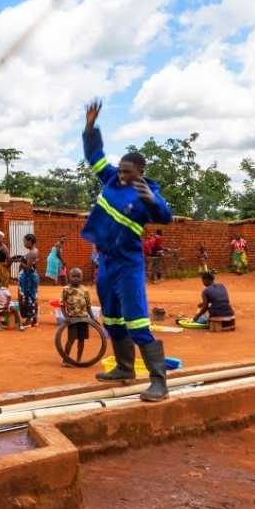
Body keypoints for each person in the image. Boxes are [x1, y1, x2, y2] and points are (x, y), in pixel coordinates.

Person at [82, 99, 173, 402]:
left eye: (128, 172)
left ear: (141, 171)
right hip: (106, 262)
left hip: (128, 266)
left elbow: (165, 216)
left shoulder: (149, 193)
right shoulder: (110, 177)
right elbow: (95, 156)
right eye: (120, 170)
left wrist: (152, 200)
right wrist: (90, 127)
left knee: (136, 321)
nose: (122, 176)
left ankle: (159, 382)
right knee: (112, 318)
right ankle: (124, 367)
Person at [60, 268, 93, 366]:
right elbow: (62, 305)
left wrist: (93, 318)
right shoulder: (66, 289)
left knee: (81, 340)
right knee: (71, 339)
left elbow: (88, 306)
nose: (76, 278)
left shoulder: (85, 290)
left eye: (78, 276)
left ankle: (78, 360)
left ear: (82, 277)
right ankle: (65, 359)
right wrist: (66, 316)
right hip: (72, 319)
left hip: (83, 319)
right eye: (73, 276)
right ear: (69, 277)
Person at [17, 233, 40, 327]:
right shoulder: (35, 250)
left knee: (28, 298)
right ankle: (34, 319)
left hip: (29, 278)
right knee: (32, 297)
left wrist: (20, 262)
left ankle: (29, 319)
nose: (24, 243)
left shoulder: (32, 253)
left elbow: (29, 268)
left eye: (25, 241)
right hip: (31, 277)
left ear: (30, 241)